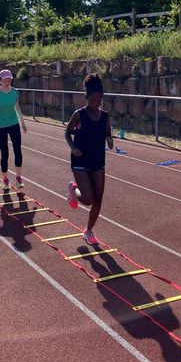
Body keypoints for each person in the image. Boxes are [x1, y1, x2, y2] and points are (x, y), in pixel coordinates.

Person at [64, 73, 113, 245]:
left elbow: (108, 135)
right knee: (88, 199)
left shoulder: (105, 116)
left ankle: (89, 231)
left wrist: (110, 140)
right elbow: (67, 133)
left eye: (99, 100)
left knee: (98, 198)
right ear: (87, 97)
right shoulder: (79, 114)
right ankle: (74, 188)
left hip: (98, 160)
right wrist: (73, 148)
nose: (96, 103)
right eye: (93, 100)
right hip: (80, 160)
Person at [0, 69, 27, 191]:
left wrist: (22, 123)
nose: (8, 82)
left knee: (18, 150)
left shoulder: (15, 92)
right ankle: (5, 180)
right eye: (5, 80)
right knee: (5, 153)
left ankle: (18, 178)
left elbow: (17, 108)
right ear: (0, 80)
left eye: (9, 79)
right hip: (0, 126)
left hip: (13, 124)